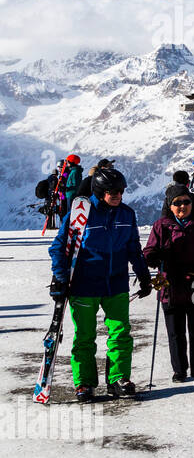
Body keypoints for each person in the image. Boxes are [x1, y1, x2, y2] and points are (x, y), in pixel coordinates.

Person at [48, 166, 152, 401]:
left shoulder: (126, 214)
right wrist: (60, 277)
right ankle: (84, 383)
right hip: (84, 285)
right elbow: (58, 247)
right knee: (85, 336)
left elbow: (133, 248)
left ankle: (118, 379)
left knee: (120, 333)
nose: (116, 194)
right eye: (111, 191)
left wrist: (143, 275)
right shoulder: (80, 214)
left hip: (116, 284)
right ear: (99, 189)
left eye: (120, 191)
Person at [144, 190, 194, 387]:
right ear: (170, 206)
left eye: (186, 201)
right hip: (170, 284)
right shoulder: (161, 226)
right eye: (177, 202)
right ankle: (179, 370)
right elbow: (148, 251)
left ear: (192, 203)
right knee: (174, 330)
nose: (182, 206)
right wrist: (153, 257)